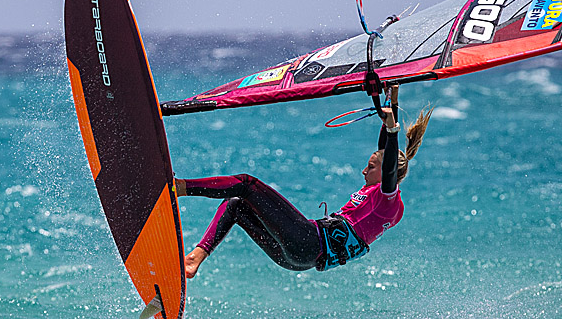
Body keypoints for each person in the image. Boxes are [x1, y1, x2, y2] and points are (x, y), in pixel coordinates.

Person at [174, 85, 432, 278]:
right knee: (236, 205)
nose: (364, 171)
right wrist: (391, 101)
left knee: (247, 184)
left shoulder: (388, 200)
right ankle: (194, 259)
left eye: (370, 167)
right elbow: (384, 151)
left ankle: (180, 188)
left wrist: (393, 130)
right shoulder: (375, 191)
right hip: (298, 259)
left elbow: (387, 166)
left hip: (309, 241)